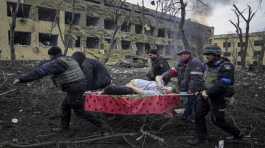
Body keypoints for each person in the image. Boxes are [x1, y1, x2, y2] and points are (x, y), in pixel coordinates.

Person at [13, 46, 107, 132]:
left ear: (52, 55)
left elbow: (40, 72)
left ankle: (102, 125)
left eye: (50, 56)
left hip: (74, 88)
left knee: (79, 111)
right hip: (79, 86)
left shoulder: (58, 63)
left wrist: (22, 79)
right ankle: (64, 128)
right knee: (65, 106)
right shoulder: (68, 59)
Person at [187, 45, 242, 145]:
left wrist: (207, 92)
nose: (206, 56)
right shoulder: (207, 65)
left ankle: (237, 134)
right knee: (198, 115)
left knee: (217, 120)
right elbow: (204, 80)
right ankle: (202, 139)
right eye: (206, 54)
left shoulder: (226, 66)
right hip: (205, 96)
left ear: (216, 55)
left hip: (219, 97)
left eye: (209, 54)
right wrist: (197, 90)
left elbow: (224, 83)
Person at [160, 49, 205, 122]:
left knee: (193, 103)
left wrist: (192, 89)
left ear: (188, 55)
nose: (180, 57)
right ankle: (186, 116)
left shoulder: (195, 62)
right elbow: (172, 71)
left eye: (182, 55)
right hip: (184, 87)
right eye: (180, 55)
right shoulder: (181, 63)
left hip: (193, 88)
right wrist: (162, 76)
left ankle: (193, 118)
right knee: (187, 103)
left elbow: (196, 78)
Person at [102, 76, 175, 96]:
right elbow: (158, 77)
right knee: (114, 87)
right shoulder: (161, 85)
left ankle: (103, 92)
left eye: (167, 91)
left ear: (166, 94)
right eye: (167, 87)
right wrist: (159, 82)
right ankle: (103, 90)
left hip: (133, 89)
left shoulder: (157, 93)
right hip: (133, 83)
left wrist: (131, 86)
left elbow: (142, 92)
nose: (165, 89)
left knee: (111, 88)